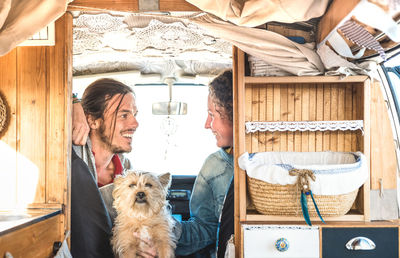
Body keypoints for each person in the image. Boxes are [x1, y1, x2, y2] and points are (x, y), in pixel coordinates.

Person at [70, 78, 142, 257]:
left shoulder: (126, 170)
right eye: (124, 115)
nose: (135, 124)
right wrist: (72, 101)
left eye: (135, 114)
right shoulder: (69, 154)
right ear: (93, 121)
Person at [175, 69, 234, 258]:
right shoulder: (213, 166)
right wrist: (162, 230)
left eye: (212, 115)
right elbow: (204, 230)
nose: (207, 124)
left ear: (234, 113)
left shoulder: (274, 162)